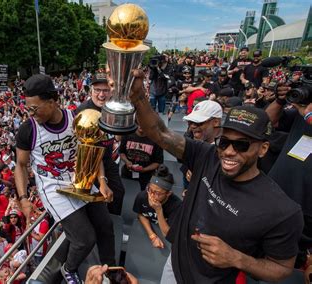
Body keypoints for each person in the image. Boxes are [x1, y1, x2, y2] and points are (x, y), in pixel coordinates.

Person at [129, 69, 303, 283]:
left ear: (263, 149)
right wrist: (138, 97)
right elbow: (159, 132)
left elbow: (282, 269)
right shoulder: (206, 156)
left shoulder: (281, 210)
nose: (229, 151)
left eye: (242, 145)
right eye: (224, 142)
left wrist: (237, 258)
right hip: (174, 268)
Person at [15, 74, 115, 284]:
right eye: (28, 108)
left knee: (105, 225)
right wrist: (23, 198)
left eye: (34, 108)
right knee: (84, 239)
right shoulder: (28, 129)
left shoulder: (75, 119)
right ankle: (68, 269)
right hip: (52, 186)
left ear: (52, 102)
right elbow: (21, 166)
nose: (30, 113)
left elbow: (91, 149)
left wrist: (103, 181)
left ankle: (110, 272)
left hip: (80, 178)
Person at [266, 85, 312, 270]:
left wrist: (308, 115)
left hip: (307, 210)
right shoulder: (302, 111)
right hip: (277, 195)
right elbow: (267, 121)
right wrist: (279, 100)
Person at [76, 69, 126, 215]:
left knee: (118, 193)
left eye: (105, 90)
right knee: (97, 199)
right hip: (89, 164)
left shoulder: (111, 108)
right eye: (97, 90)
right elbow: (90, 151)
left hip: (107, 158)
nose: (101, 94)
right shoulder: (84, 112)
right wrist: (103, 181)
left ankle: (112, 223)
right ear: (90, 90)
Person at [132, 165, 181, 248]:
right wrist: (152, 236)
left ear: (168, 194)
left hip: (167, 242)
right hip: (147, 235)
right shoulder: (143, 196)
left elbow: (169, 234)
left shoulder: (177, 205)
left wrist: (158, 210)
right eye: (150, 190)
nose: (151, 195)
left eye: (157, 193)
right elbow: (141, 214)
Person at [119, 123, 164, 191]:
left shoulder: (156, 139)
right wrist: (127, 161)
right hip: (127, 174)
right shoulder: (127, 135)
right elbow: (121, 152)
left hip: (146, 177)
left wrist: (144, 169)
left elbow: (158, 162)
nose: (141, 125)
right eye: (139, 123)